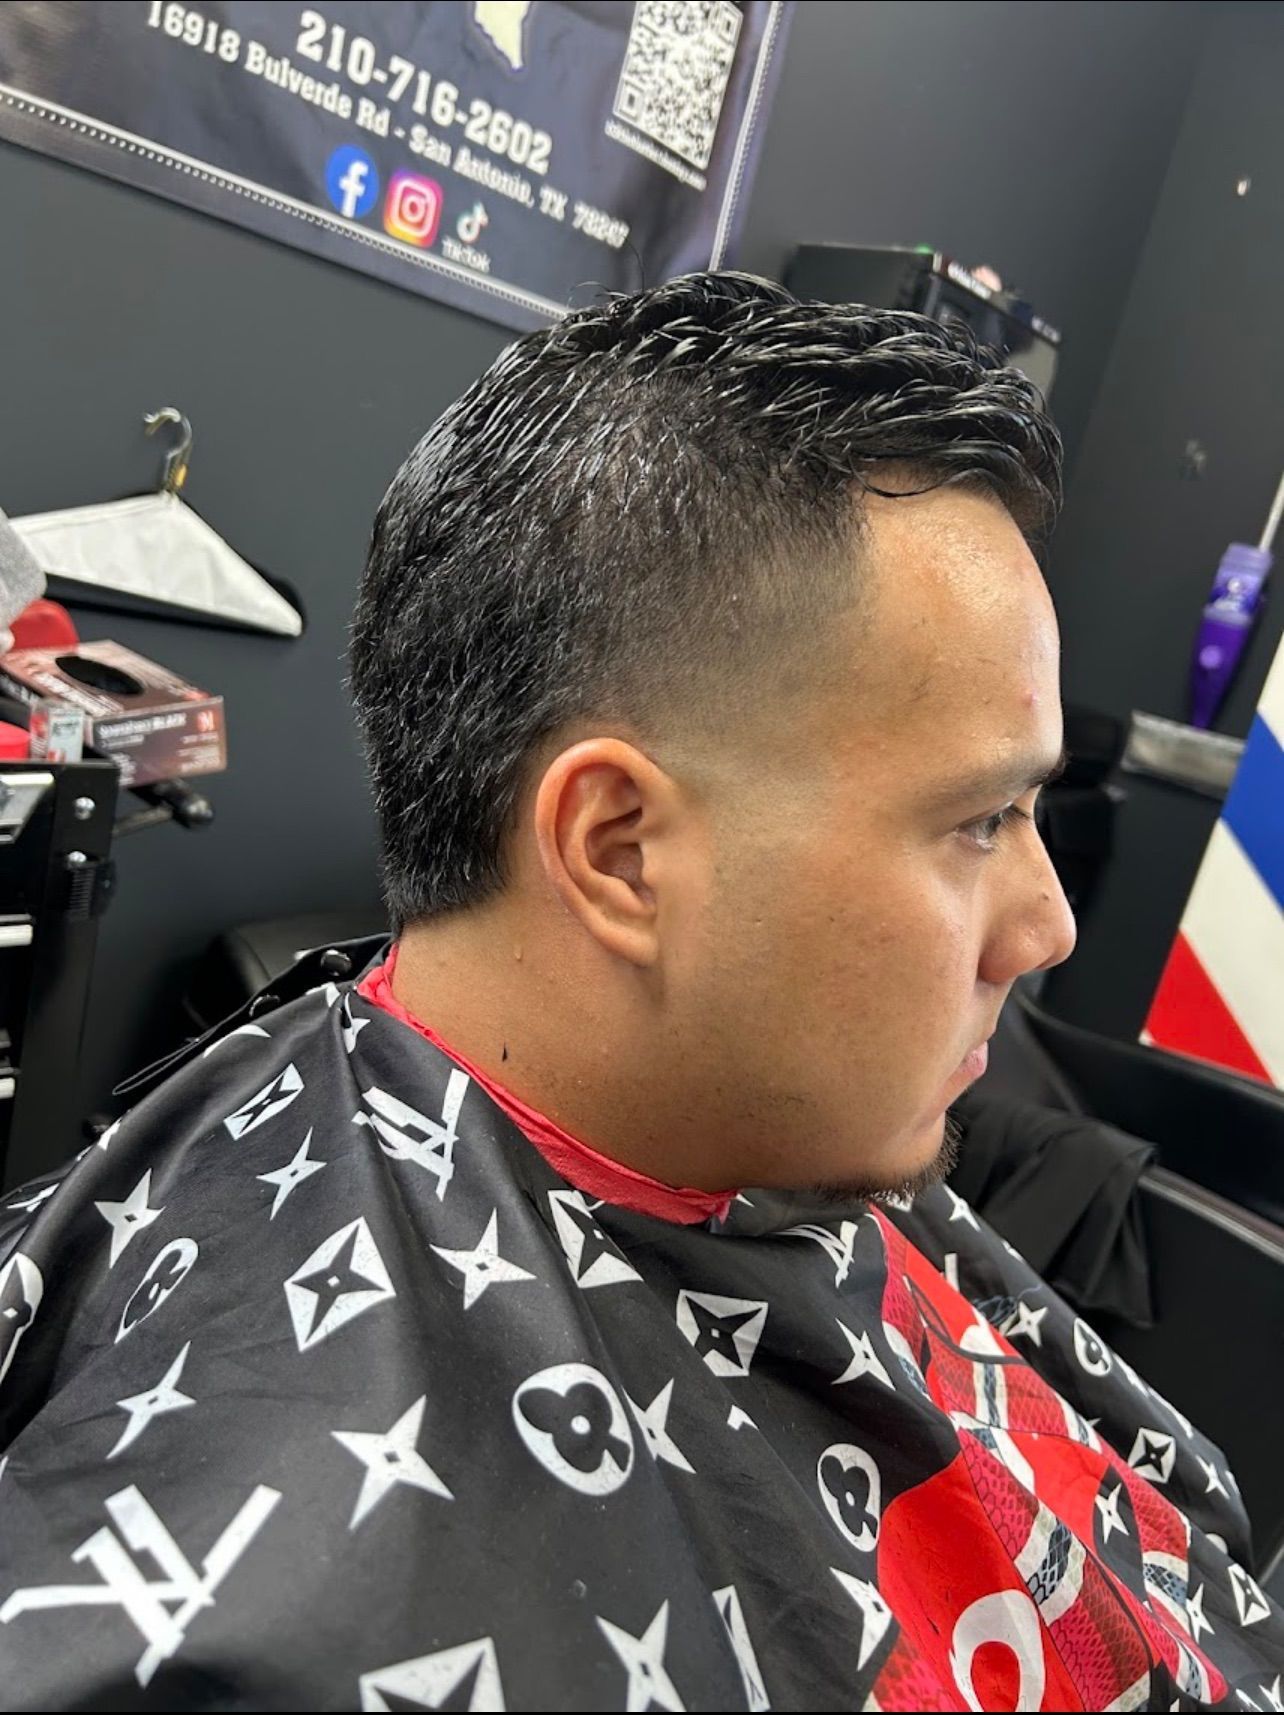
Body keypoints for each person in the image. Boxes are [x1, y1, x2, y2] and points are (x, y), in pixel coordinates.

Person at [0, 274, 1279, 1710]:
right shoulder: (288, 1615)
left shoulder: (774, 1112)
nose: (1046, 929)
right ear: (619, 851)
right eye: (979, 822)